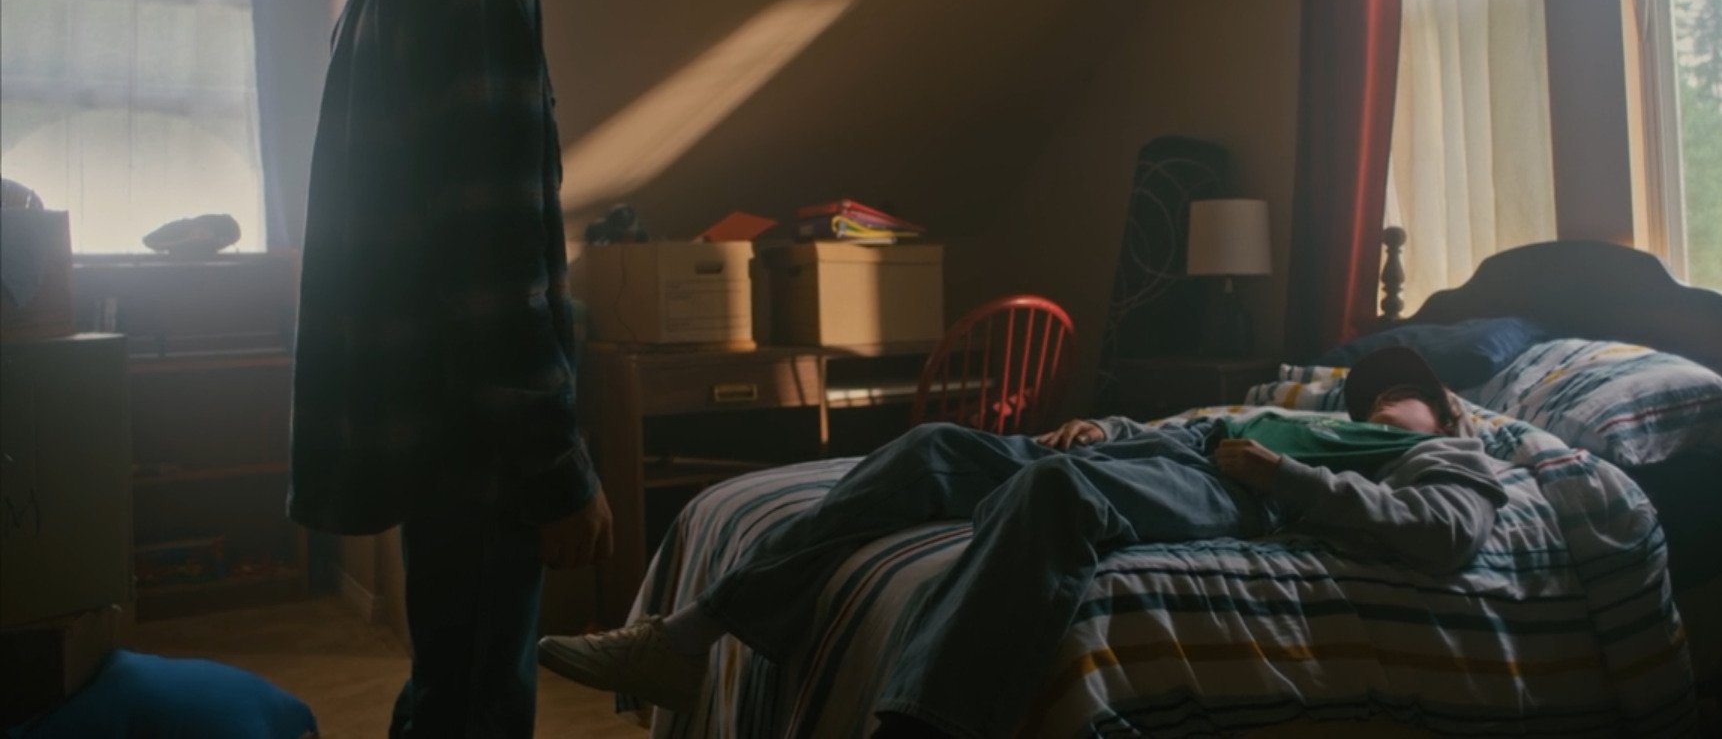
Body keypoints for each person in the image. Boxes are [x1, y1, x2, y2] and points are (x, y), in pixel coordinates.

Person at [537, 346, 1508, 739]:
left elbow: (1447, 536)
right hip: (1175, 450)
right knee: (931, 447)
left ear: (1447, 404)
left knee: (1050, 497)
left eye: (1401, 391)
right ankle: (687, 638)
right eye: (1370, 391)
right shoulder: (1313, 414)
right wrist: (1107, 427)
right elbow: (1194, 426)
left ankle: (924, 723)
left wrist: (1280, 476)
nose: (1379, 401)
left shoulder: (1447, 452)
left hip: (1234, 490)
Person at [288, 0, 621, 738]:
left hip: (431, 416)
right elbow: (493, 261)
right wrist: (559, 469)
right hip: (478, 436)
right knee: (477, 696)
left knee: (453, 679)